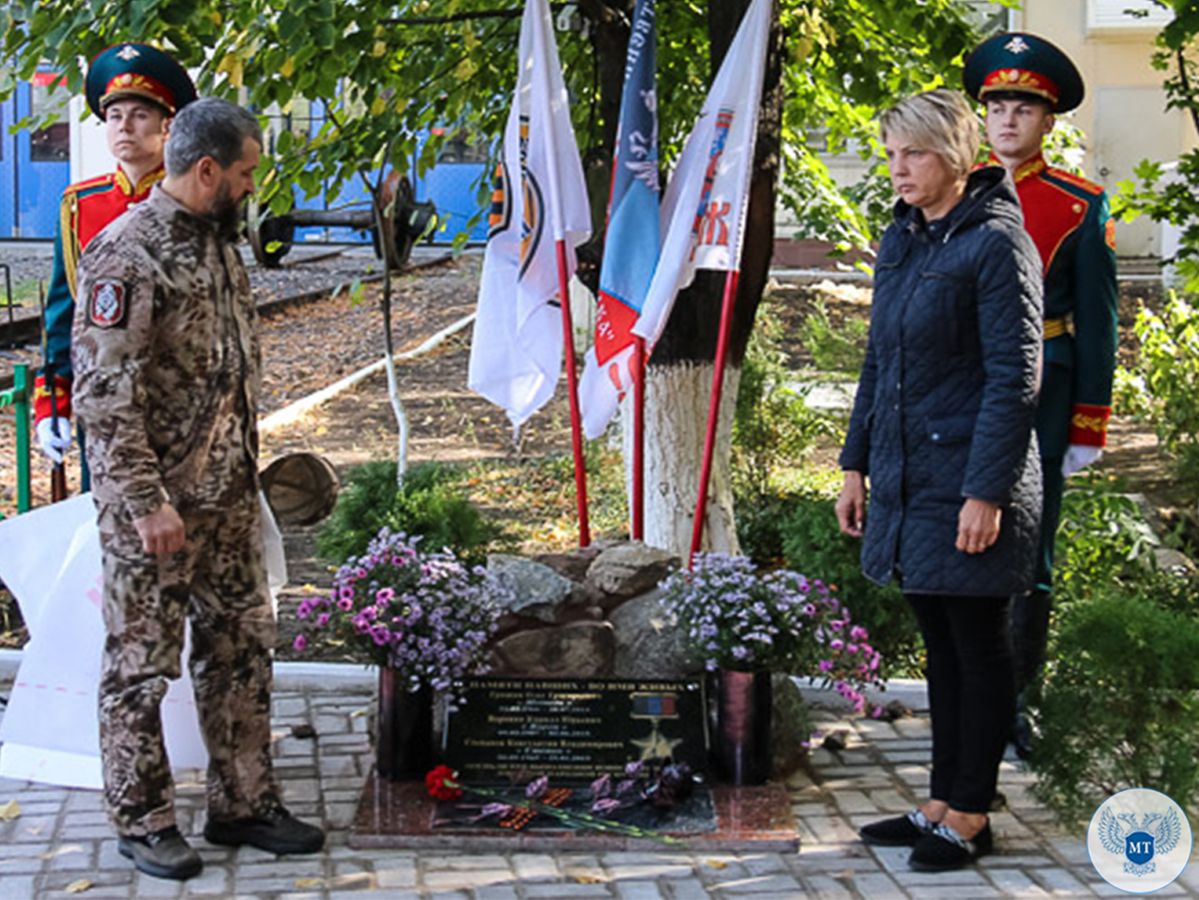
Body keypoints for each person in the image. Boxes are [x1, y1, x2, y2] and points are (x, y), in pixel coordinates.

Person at [71, 97, 324, 881]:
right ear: (207, 169)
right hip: (156, 512)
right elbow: (105, 396)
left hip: (227, 500)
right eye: (244, 172)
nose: (252, 186)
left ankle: (243, 803)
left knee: (241, 649)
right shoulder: (126, 254)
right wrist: (145, 503)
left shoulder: (220, 242)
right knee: (140, 667)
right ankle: (142, 820)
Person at [836, 89, 1043, 872]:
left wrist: (984, 492)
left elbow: (1014, 379)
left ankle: (971, 815)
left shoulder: (995, 244)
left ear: (954, 158)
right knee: (941, 647)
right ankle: (939, 802)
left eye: (913, 153)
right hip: (904, 478)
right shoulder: (903, 238)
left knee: (975, 643)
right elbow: (876, 361)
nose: (898, 168)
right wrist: (854, 464)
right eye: (891, 153)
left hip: (967, 483)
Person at [964, 33, 1120, 758]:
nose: (1005, 119)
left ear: (1047, 120)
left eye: (1022, 107)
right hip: (959, 394)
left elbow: (1097, 323)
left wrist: (1089, 422)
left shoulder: (1078, 205)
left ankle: (1017, 704)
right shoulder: (951, 191)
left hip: (1043, 398)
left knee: (1032, 550)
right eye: (995, 104)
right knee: (955, 546)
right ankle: (965, 698)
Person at [34, 43, 197, 488]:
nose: (124, 126)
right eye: (114, 116)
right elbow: (63, 313)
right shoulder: (80, 205)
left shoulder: (191, 200)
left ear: (168, 126)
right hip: (104, 407)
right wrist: (53, 402)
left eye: (140, 115)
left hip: (179, 407)